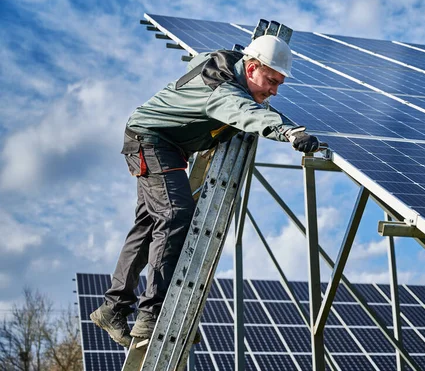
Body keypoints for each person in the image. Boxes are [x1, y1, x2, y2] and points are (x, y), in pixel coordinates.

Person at [90, 35, 319, 347]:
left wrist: (295, 130)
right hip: (153, 141)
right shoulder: (222, 89)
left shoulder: (227, 66)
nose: (274, 91)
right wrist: (286, 132)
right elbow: (246, 111)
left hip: (159, 142)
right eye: (271, 80)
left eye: (280, 83)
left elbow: (244, 98)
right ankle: (153, 315)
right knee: (175, 215)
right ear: (251, 69)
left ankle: (113, 309)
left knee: (149, 227)